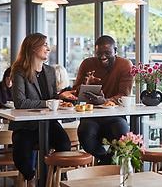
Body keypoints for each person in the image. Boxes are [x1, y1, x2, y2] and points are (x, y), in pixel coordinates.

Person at [59, 35, 133, 163]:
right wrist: (85, 85)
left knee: (123, 135)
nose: (103, 57)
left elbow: (124, 94)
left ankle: (111, 164)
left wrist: (104, 101)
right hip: (91, 115)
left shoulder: (124, 65)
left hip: (115, 116)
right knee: (85, 134)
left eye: (107, 53)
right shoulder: (87, 64)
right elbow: (76, 93)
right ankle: (105, 160)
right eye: (99, 53)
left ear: (115, 50)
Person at [10, 33, 71, 185]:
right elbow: (20, 102)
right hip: (26, 125)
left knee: (65, 144)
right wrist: (47, 103)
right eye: (45, 45)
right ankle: (30, 178)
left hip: (48, 123)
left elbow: (52, 97)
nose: (48, 48)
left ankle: (49, 177)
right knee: (22, 155)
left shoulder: (50, 71)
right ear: (33, 48)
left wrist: (62, 97)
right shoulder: (19, 71)